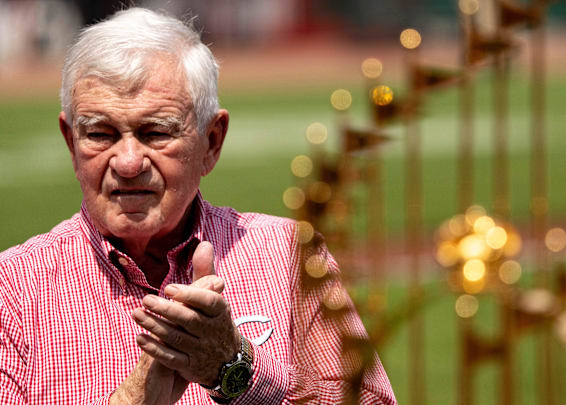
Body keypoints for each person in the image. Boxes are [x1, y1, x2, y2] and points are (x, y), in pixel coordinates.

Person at [0, 7, 396, 404]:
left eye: (156, 132)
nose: (127, 162)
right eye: (100, 134)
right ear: (71, 142)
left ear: (211, 142)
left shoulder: (290, 255)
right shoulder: (15, 290)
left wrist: (236, 371)